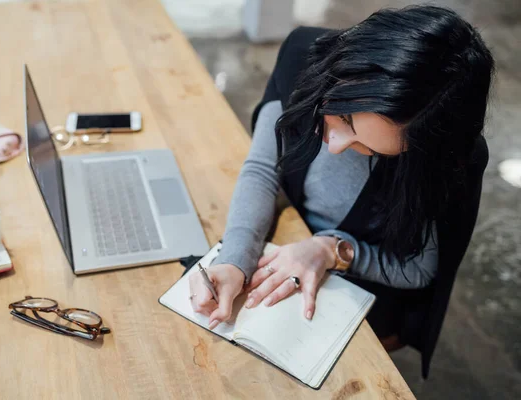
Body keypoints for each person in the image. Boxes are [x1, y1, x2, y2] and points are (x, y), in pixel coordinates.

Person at [189, 5, 494, 377]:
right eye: (344, 115)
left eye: (371, 150)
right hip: (288, 250)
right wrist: (234, 259)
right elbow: (262, 168)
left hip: (363, 293)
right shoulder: (303, 57)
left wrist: (332, 249)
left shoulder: (441, 157)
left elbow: (418, 269)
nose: (333, 145)